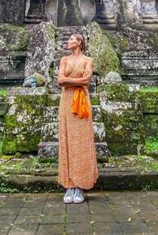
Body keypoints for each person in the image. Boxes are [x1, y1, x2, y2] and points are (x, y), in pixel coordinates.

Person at [57, 33, 98, 204]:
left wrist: (69, 81)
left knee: (82, 140)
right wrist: (75, 81)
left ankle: (80, 185)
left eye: (72, 39)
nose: (68, 42)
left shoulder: (88, 60)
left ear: (79, 42)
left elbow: (86, 81)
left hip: (81, 101)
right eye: (68, 40)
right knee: (66, 140)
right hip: (66, 102)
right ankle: (69, 185)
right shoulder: (64, 60)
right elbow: (60, 81)